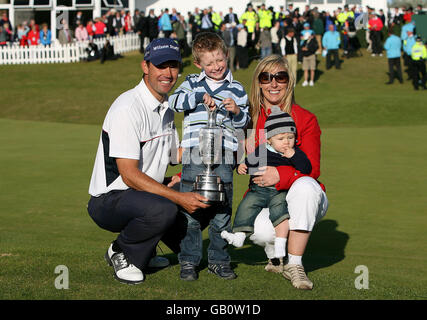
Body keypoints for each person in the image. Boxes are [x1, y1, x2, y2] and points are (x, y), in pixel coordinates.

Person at [87, 38, 210, 285]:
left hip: (142, 194)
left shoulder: (166, 107)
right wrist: (176, 196)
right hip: (110, 199)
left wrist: (219, 151)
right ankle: (121, 251)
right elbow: (129, 175)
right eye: (160, 65)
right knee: (163, 208)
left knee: (207, 192)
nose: (168, 73)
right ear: (146, 67)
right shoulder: (128, 107)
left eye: (173, 66)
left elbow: (175, 155)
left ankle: (145, 250)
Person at [242, 54, 328, 290]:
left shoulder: (306, 118)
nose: (273, 83)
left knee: (306, 188)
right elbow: (256, 166)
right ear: (258, 82)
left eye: (280, 77)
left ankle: (295, 264)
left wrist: (282, 175)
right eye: (266, 77)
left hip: (303, 192)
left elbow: (312, 169)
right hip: (267, 195)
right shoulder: (251, 120)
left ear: (289, 81)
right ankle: (275, 256)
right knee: (258, 233)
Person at [168, 32, 250, 281]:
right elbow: (173, 101)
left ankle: (218, 259)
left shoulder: (236, 88)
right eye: (209, 63)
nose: (215, 67)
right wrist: (196, 97)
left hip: (224, 156)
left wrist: (236, 111)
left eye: (219, 60)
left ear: (226, 55)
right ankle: (189, 261)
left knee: (221, 211)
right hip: (194, 154)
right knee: (191, 212)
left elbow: (245, 121)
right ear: (199, 65)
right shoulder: (192, 82)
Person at [221, 106, 311, 266]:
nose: (287, 142)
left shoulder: (294, 152)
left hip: (280, 191)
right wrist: (242, 167)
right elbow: (249, 163)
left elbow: (306, 168)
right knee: (246, 206)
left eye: (290, 137)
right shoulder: (261, 150)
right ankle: (239, 235)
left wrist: (294, 156)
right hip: (258, 190)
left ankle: (280, 246)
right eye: (281, 138)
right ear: (269, 139)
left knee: (280, 213)